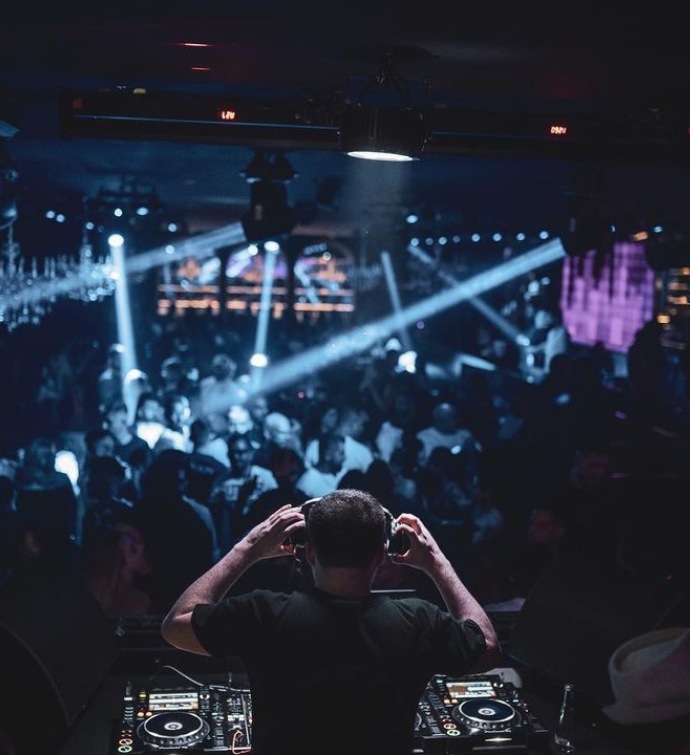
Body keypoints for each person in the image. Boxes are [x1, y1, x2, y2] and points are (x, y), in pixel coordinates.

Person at [161, 488, 501, 755]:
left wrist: (248, 549)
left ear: (308, 552)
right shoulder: (419, 621)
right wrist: (437, 563)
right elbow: (487, 648)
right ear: (382, 555)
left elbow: (175, 625)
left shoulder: (263, 614)